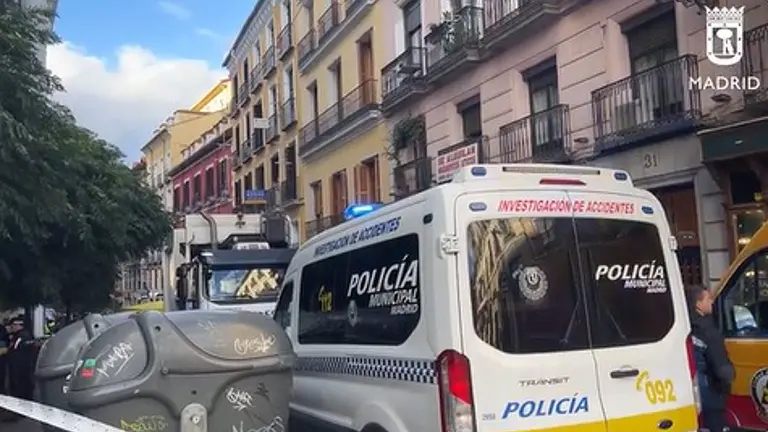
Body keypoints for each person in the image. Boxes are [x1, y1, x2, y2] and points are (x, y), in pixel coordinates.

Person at [687, 285, 735, 432]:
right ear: (698, 304)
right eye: (708, 299)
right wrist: (729, 379)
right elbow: (721, 365)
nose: (712, 302)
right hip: (712, 391)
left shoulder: (687, 327)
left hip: (696, 392)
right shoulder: (707, 329)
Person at [6, 316, 36, 405]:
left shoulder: (21, 336)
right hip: (22, 366)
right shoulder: (21, 335)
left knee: (20, 387)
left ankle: (21, 408)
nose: (12, 328)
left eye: (13, 325)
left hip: (20, 367)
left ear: (18, 325)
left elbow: (15, 350)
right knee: (24, 386)